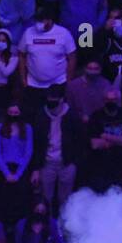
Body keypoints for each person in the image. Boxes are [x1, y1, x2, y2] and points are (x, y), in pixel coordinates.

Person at [30, 83, 86, 213]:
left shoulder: (72, 116)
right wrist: (36, 169)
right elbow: (37, 144)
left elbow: (80, 141)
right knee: (45, 199)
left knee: (65, 200)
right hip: (47, 163)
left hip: (66, 163)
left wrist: (74, 162)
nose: (51, 103)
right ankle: (47, 227)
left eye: (54, 100)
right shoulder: (41, 116)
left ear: (61, 100)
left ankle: (62, 228)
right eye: (49, 99)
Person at [17, 5, 77, 115]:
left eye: (41, 20)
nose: (38, 23)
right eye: (37, 19)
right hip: (33, 84)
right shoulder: (28, 33)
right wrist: (23, 79)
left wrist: (68, 82)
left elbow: (72, 58)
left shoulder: (63, 33)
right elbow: (21, 55)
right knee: (34, 116)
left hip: (58, 83)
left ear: (50, 20)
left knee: (56, 115)